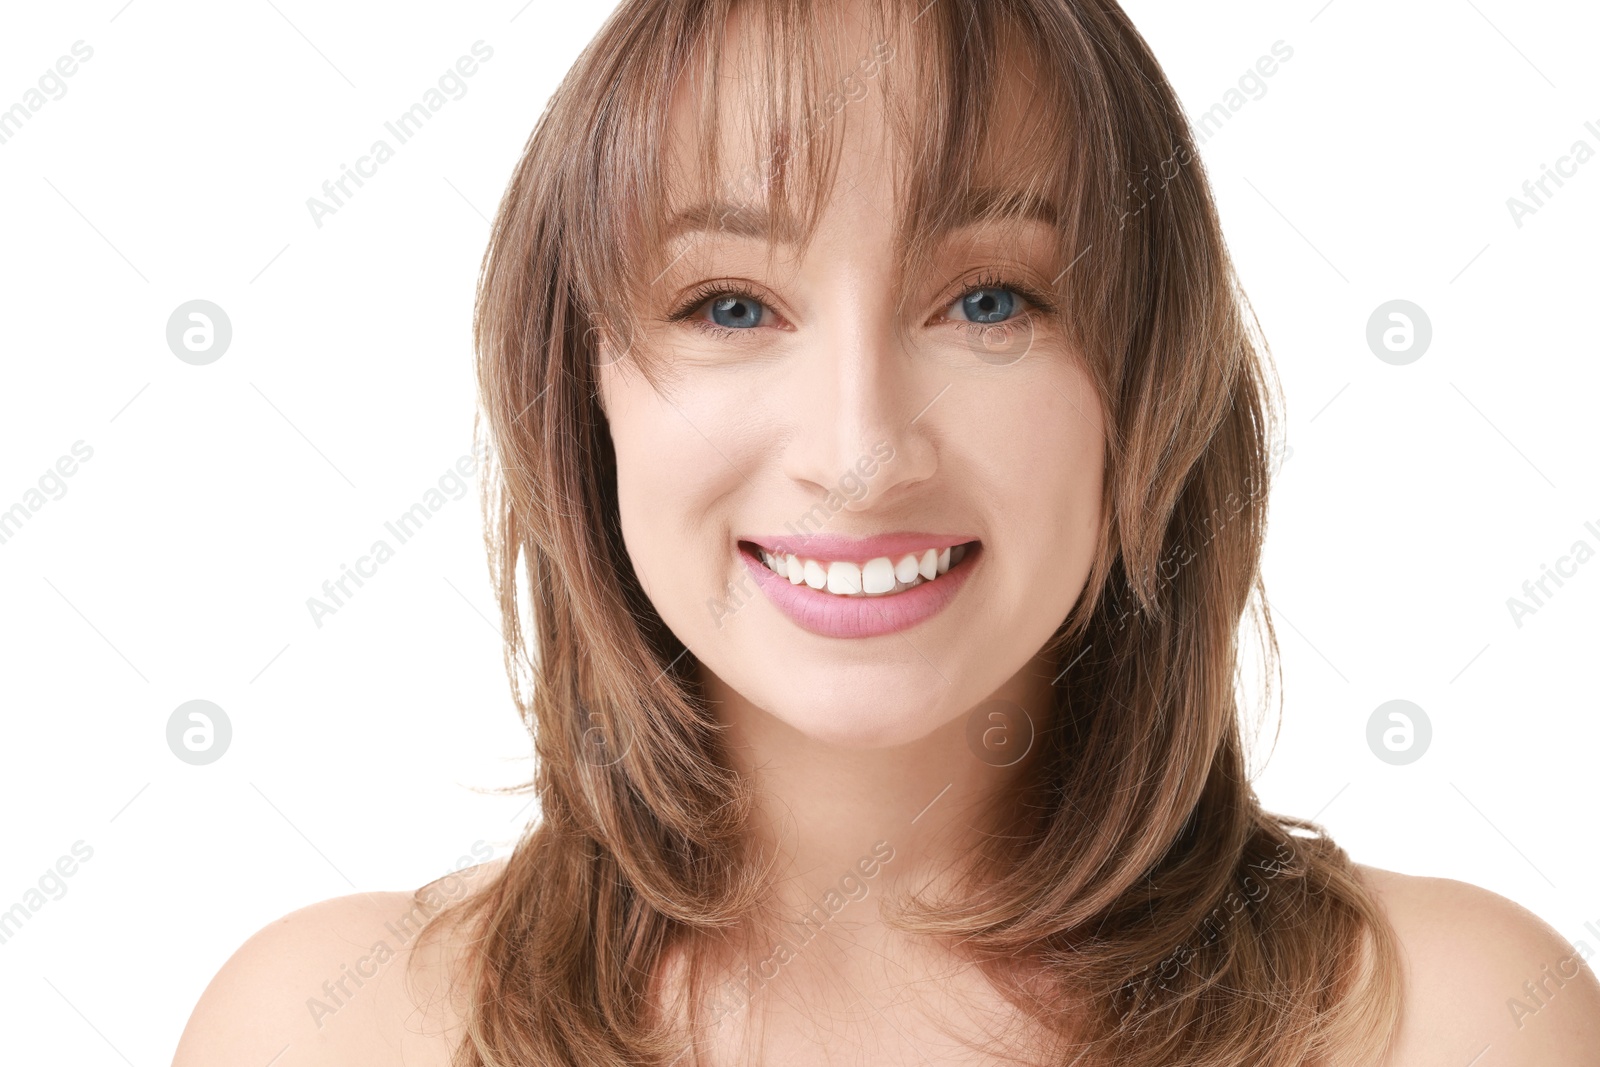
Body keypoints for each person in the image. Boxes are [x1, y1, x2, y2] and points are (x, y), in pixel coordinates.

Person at [173, 1, 1600, 1064]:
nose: (859, 456)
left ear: (1146, 380)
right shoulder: (326, 1031)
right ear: (581, 393)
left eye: (990, 300)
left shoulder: (1449, 1022)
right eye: (730, 305)